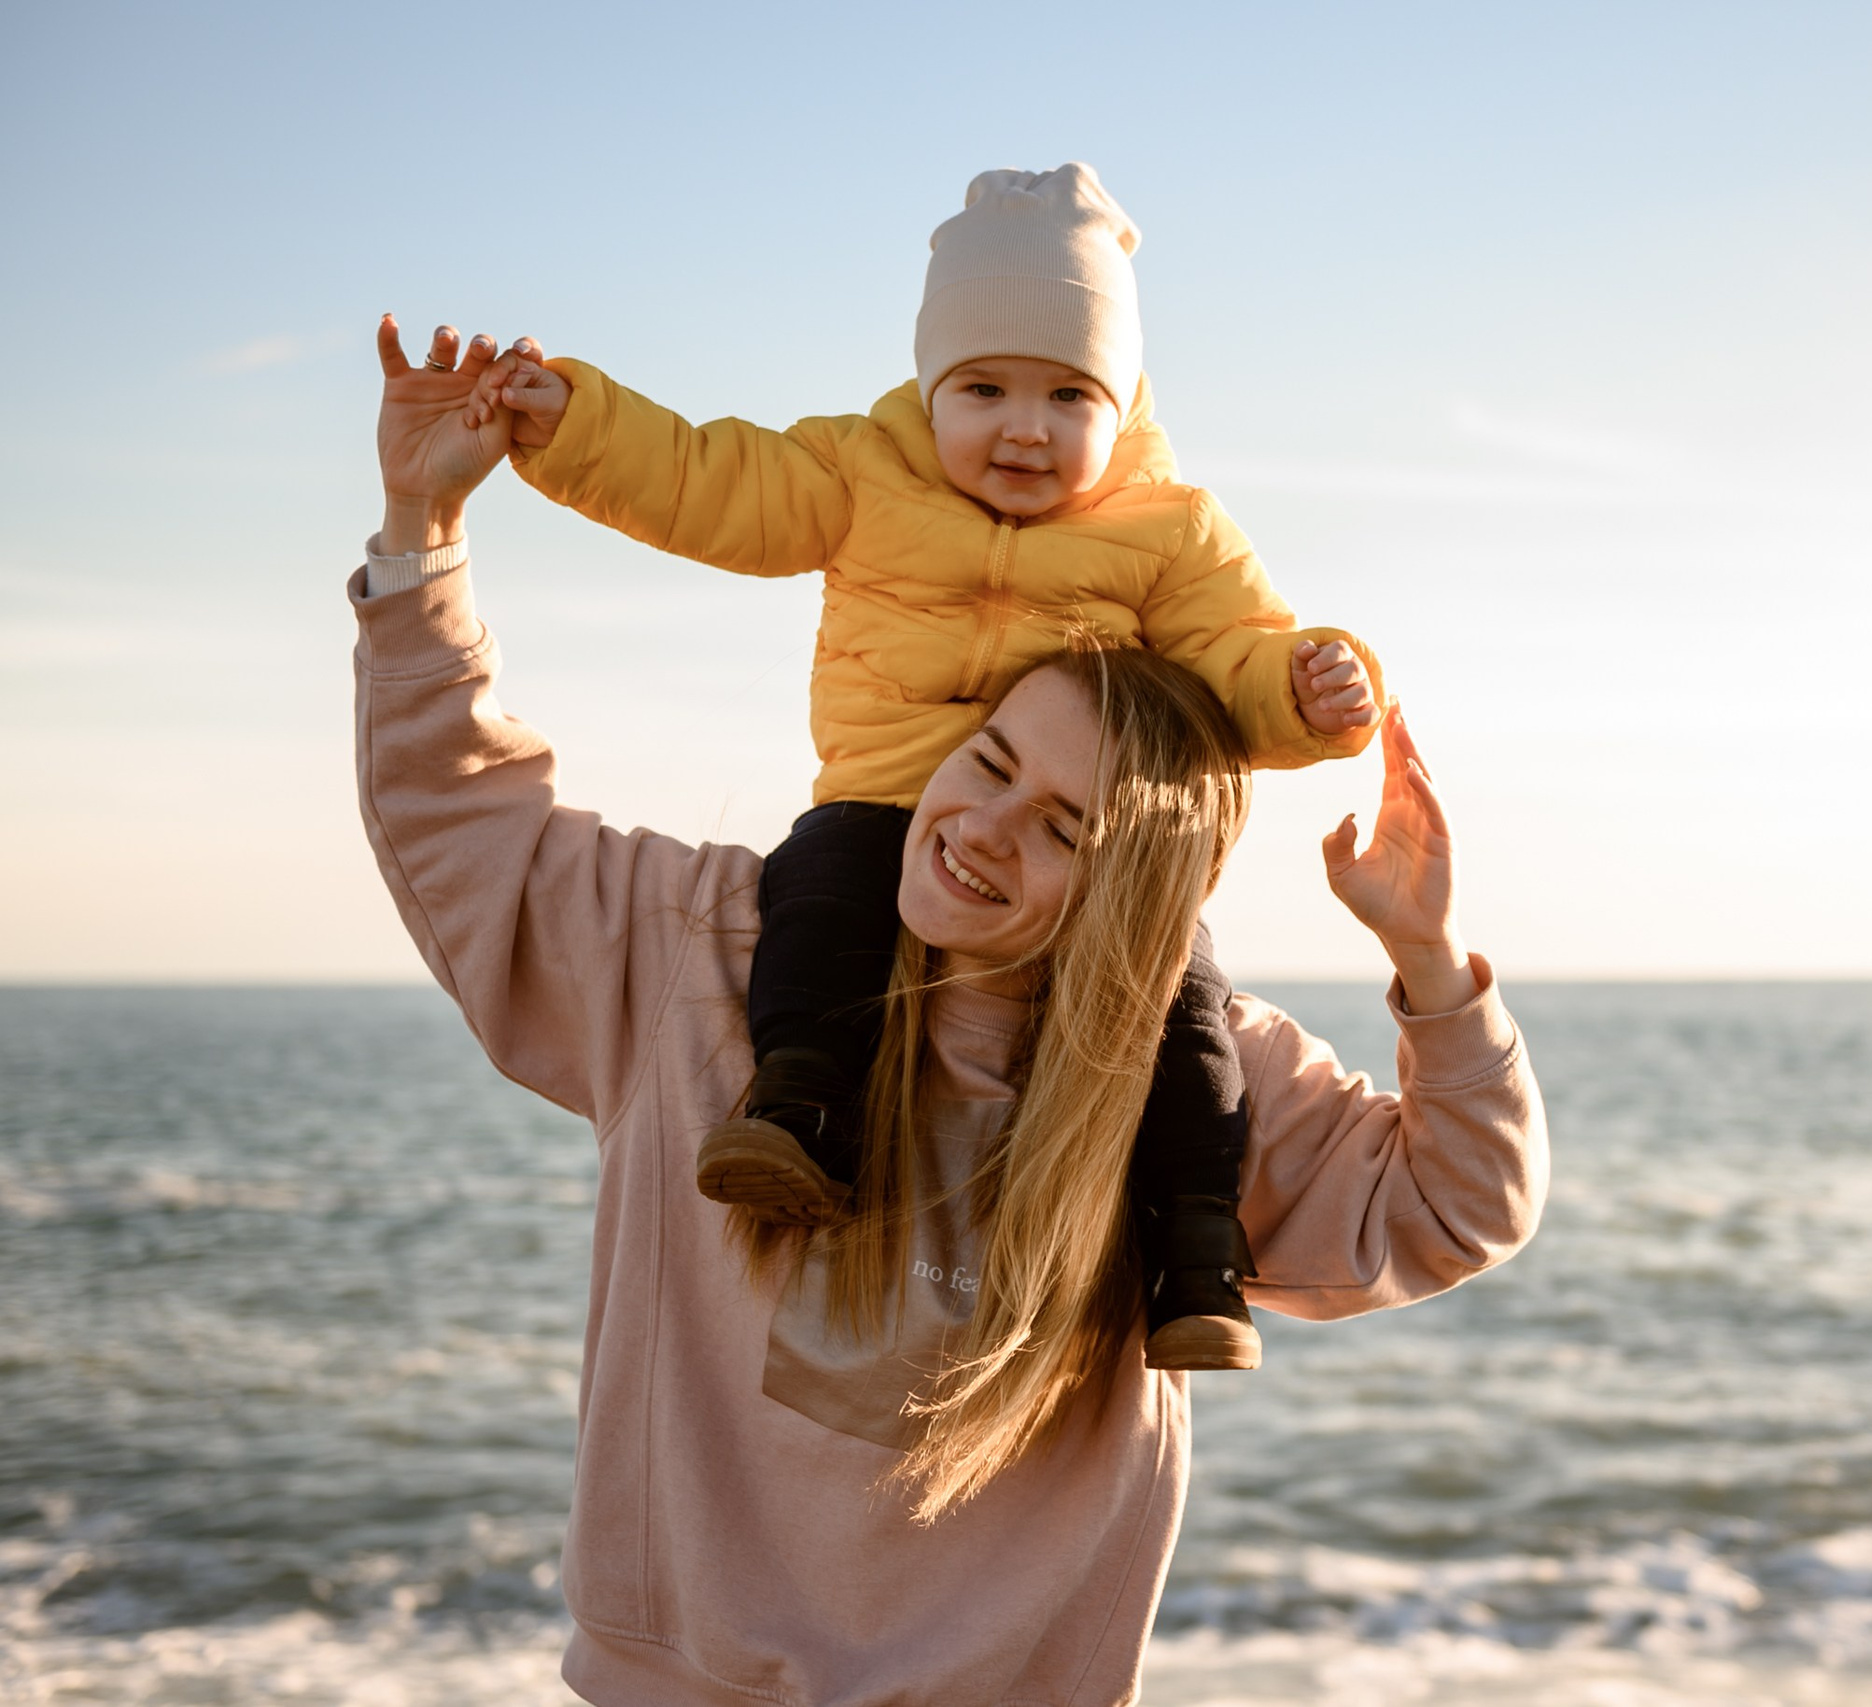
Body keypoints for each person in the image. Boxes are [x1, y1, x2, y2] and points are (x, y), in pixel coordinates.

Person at [357, 314, 1546, 1706]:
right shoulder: (709, 952)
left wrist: (1431, 957)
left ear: (1138, 898)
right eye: (985, 760)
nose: (982, 826)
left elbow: (1459, 1204)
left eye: (1064, 828)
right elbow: (463, 821)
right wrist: (419, 528)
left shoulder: (1185, 1080)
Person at [456, 164, 1384, 1373]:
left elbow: (1234, 661)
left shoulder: (1170, 531)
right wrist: (573, 418)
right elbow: (705, 480)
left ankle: (1194, 1251)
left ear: (1123, 400)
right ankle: (799, 1113)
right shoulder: (861, 471)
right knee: (821, 898)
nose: (1024, 427)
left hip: (1072, 841)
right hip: (888, 792)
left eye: (1068, 395)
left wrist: (1309, 690)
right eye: (984, 387)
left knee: (1176, 1002)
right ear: (929, 384)